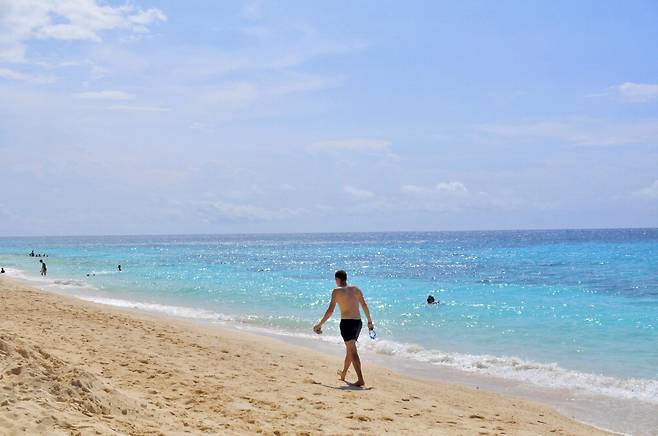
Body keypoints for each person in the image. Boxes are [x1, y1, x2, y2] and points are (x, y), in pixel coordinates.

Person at [313, 270, 374, 387]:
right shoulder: (356, 289)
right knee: (349, 349)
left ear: (338, 279)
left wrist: (320, 324)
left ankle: (360, 379)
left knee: (352, 350)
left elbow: (330, 311)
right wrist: (370, 322)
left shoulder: (336, 291)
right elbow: (364, 305)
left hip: (347, 323)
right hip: (358, 323)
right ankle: (344, 374)